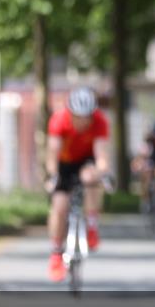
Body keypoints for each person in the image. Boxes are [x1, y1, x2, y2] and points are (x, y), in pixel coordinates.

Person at [45, 87, 112, 282]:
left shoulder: (100, 121)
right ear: (70, 113)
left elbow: (101, 155)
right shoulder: (59, 120)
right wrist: (53, 176)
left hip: (86, 160)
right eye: (78, 117)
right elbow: (52, 154)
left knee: (91, 178)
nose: (83, 122)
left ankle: (91, 224)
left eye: (87, 117)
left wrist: (103, 174)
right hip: (64, 164)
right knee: (59, 207)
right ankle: (56, 253)